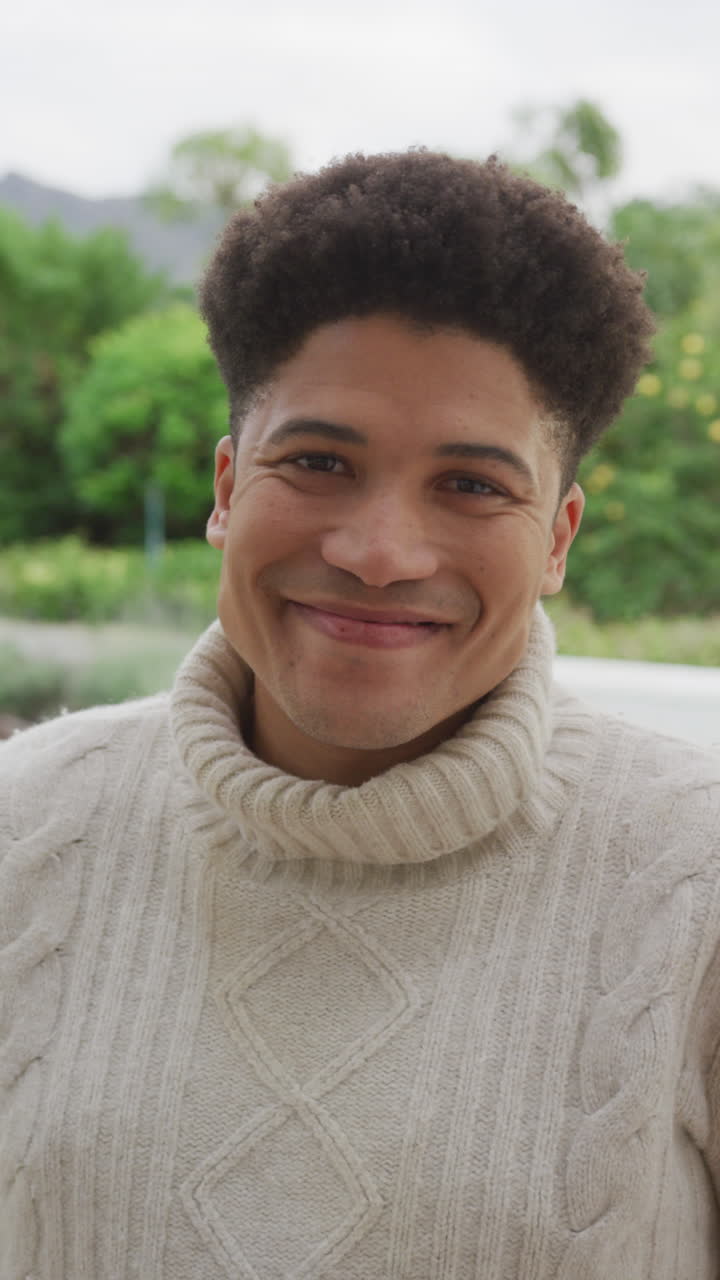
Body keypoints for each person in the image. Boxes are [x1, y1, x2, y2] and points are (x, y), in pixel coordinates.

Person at [1, 150, 719, 1280]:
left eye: (474, 484)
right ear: (228, 490)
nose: (380, 553)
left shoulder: (697, 890)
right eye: (321, 460)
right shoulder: (23, 829)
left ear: (561, 538)